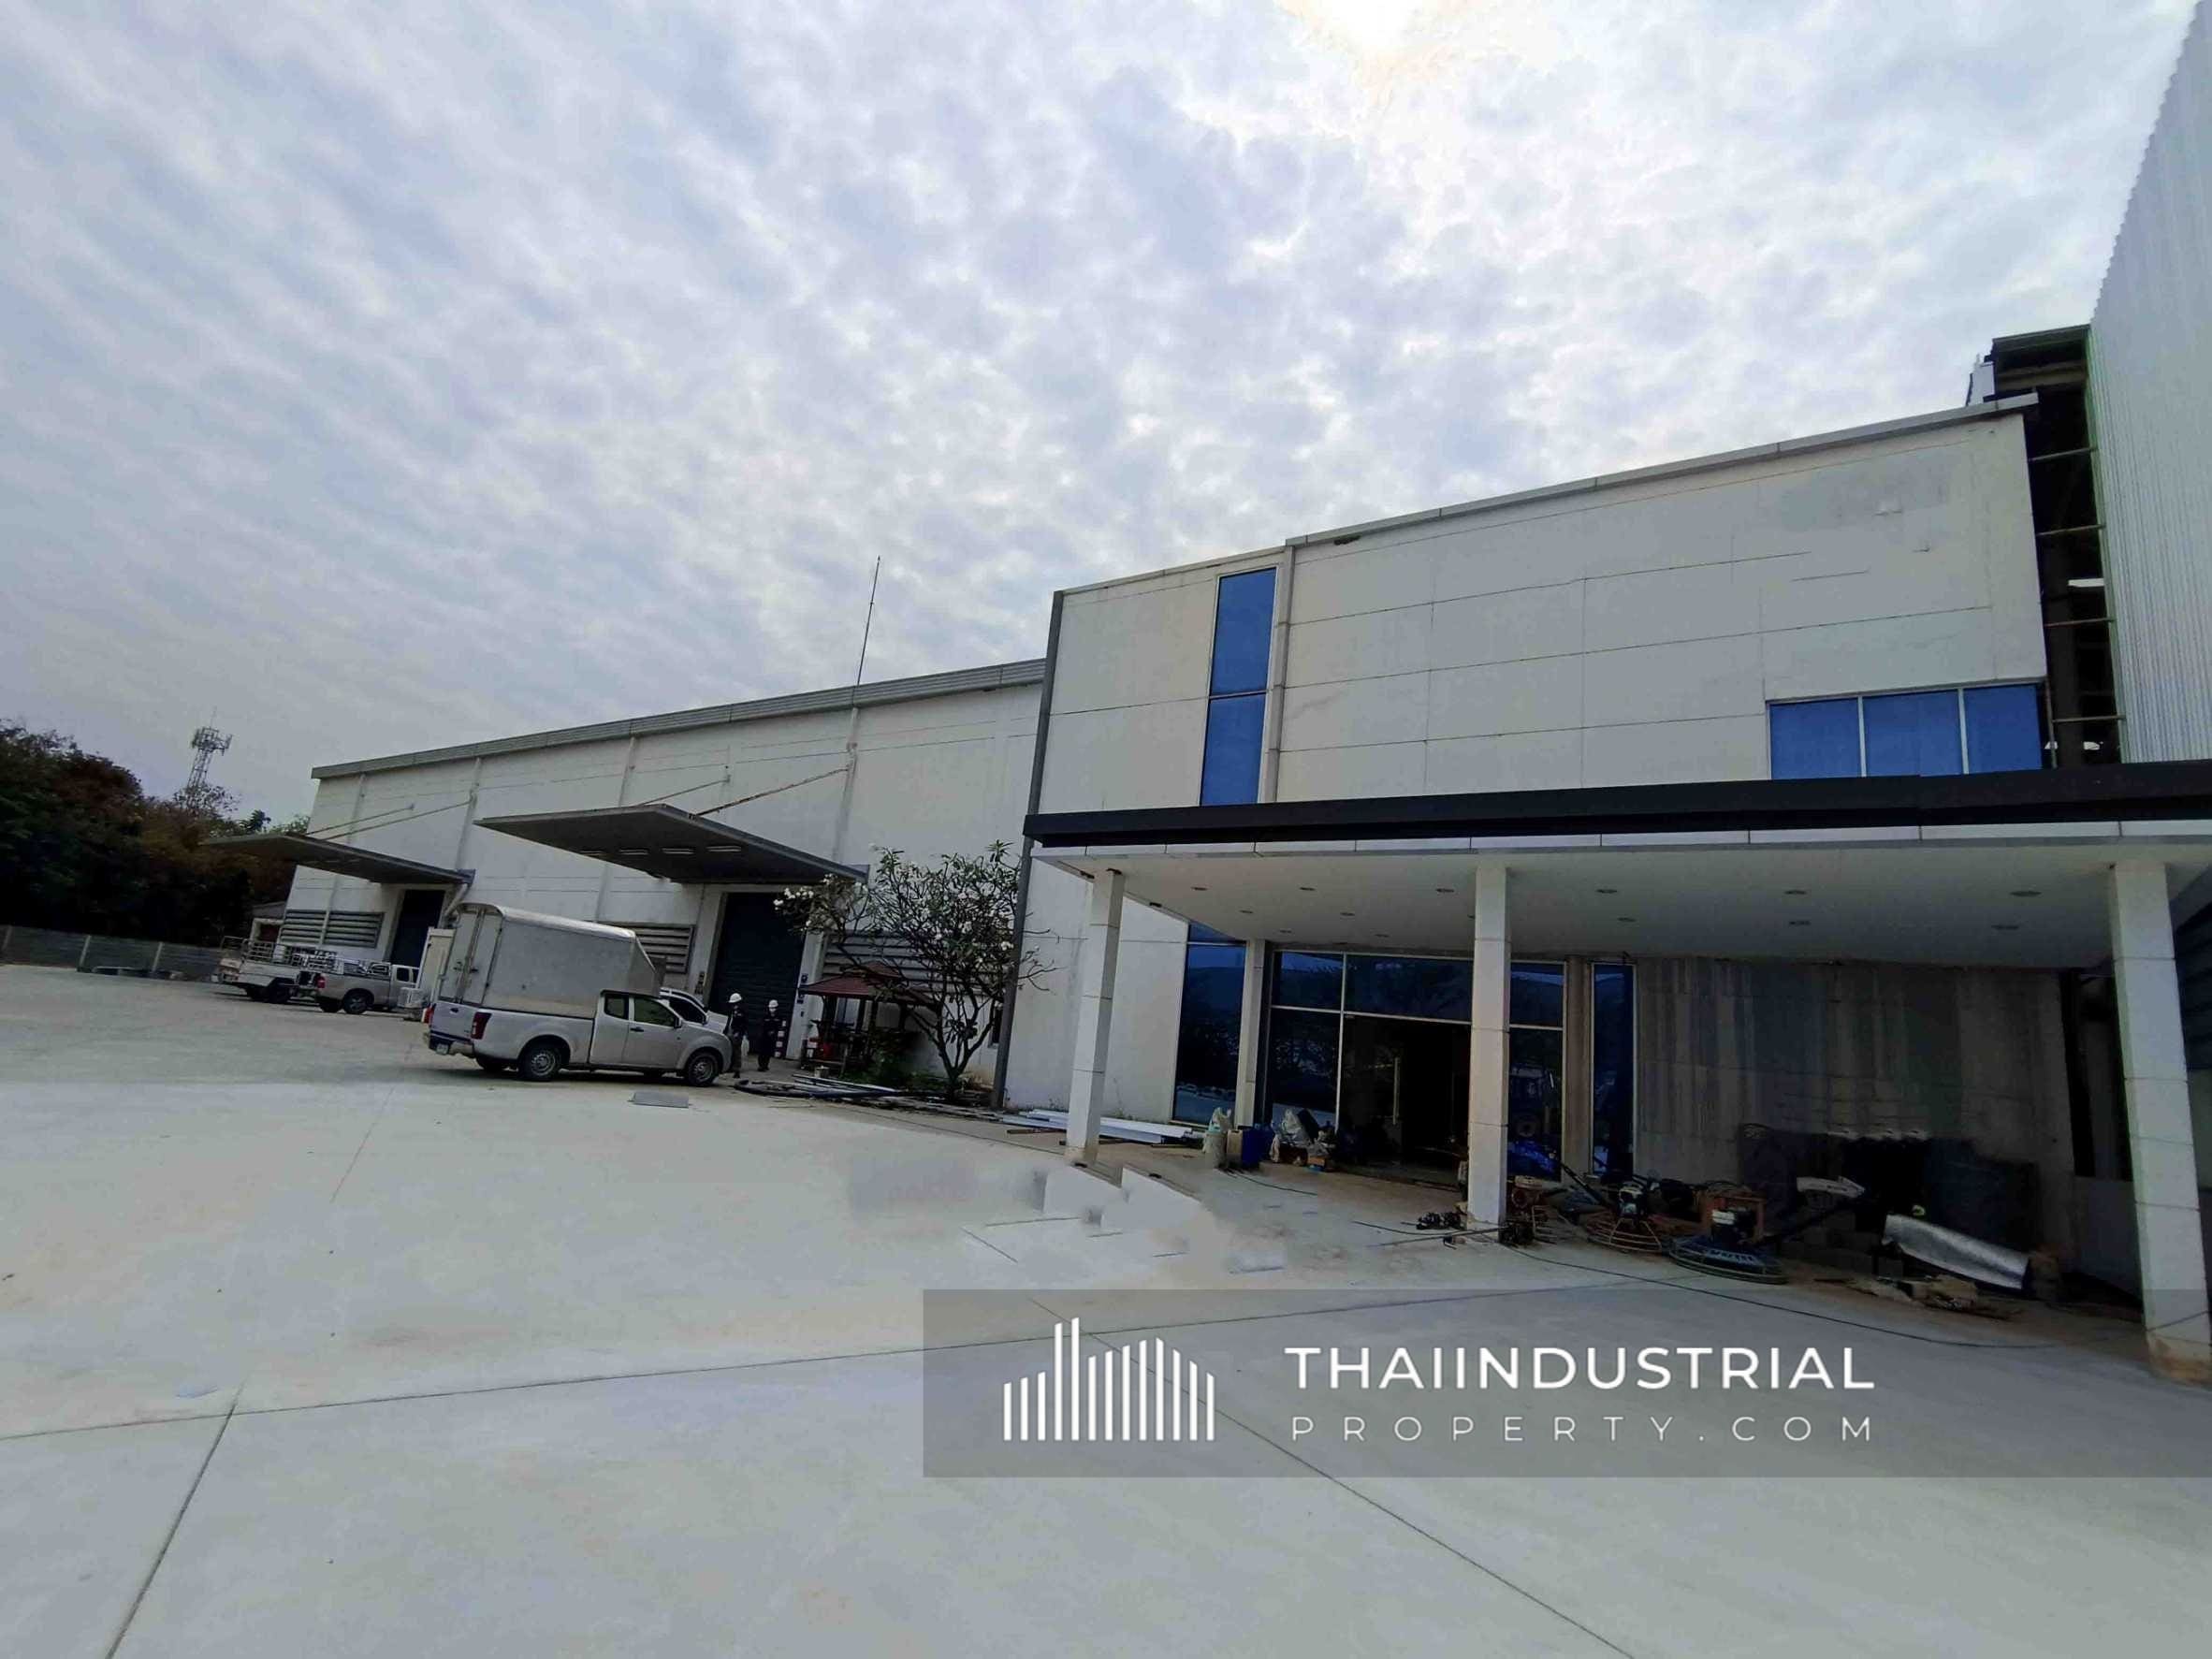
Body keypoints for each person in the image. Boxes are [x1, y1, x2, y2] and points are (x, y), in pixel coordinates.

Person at [723, 993, 748, 1084]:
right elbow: (730, 1020)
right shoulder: (733, 1010)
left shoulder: (742, 1012)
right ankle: (730, 1067)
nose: (733, 1005)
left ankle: (737, 1069)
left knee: (737, 1051)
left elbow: (744, 1024)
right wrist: (726, 1029)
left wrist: (739, 1032)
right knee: (730, 1050)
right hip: (731, 1031)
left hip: (737, 1034)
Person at [752, 998, 781, 1072]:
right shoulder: (765, 1016)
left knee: (768, 1052)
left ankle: (765, 1065)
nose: (772, 1009)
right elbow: (762, 1025)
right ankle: (761, 1065)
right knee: (762, 1052)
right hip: (764, 1036)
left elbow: (778, 1026)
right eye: (771, 1008)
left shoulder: (778, 1017)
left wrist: (774, 1032)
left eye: (774, 1008)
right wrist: (766, 1032)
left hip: (772, 1037)